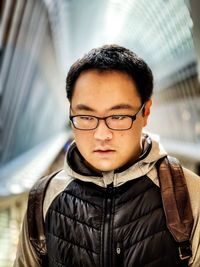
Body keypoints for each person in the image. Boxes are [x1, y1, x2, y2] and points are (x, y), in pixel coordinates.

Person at [14, 44, 200, 267]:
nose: (101, 134)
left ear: (145, 112)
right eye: (86, 116)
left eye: (119, 116)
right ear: (71, 113)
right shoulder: (43, 197)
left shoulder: (189, 193)